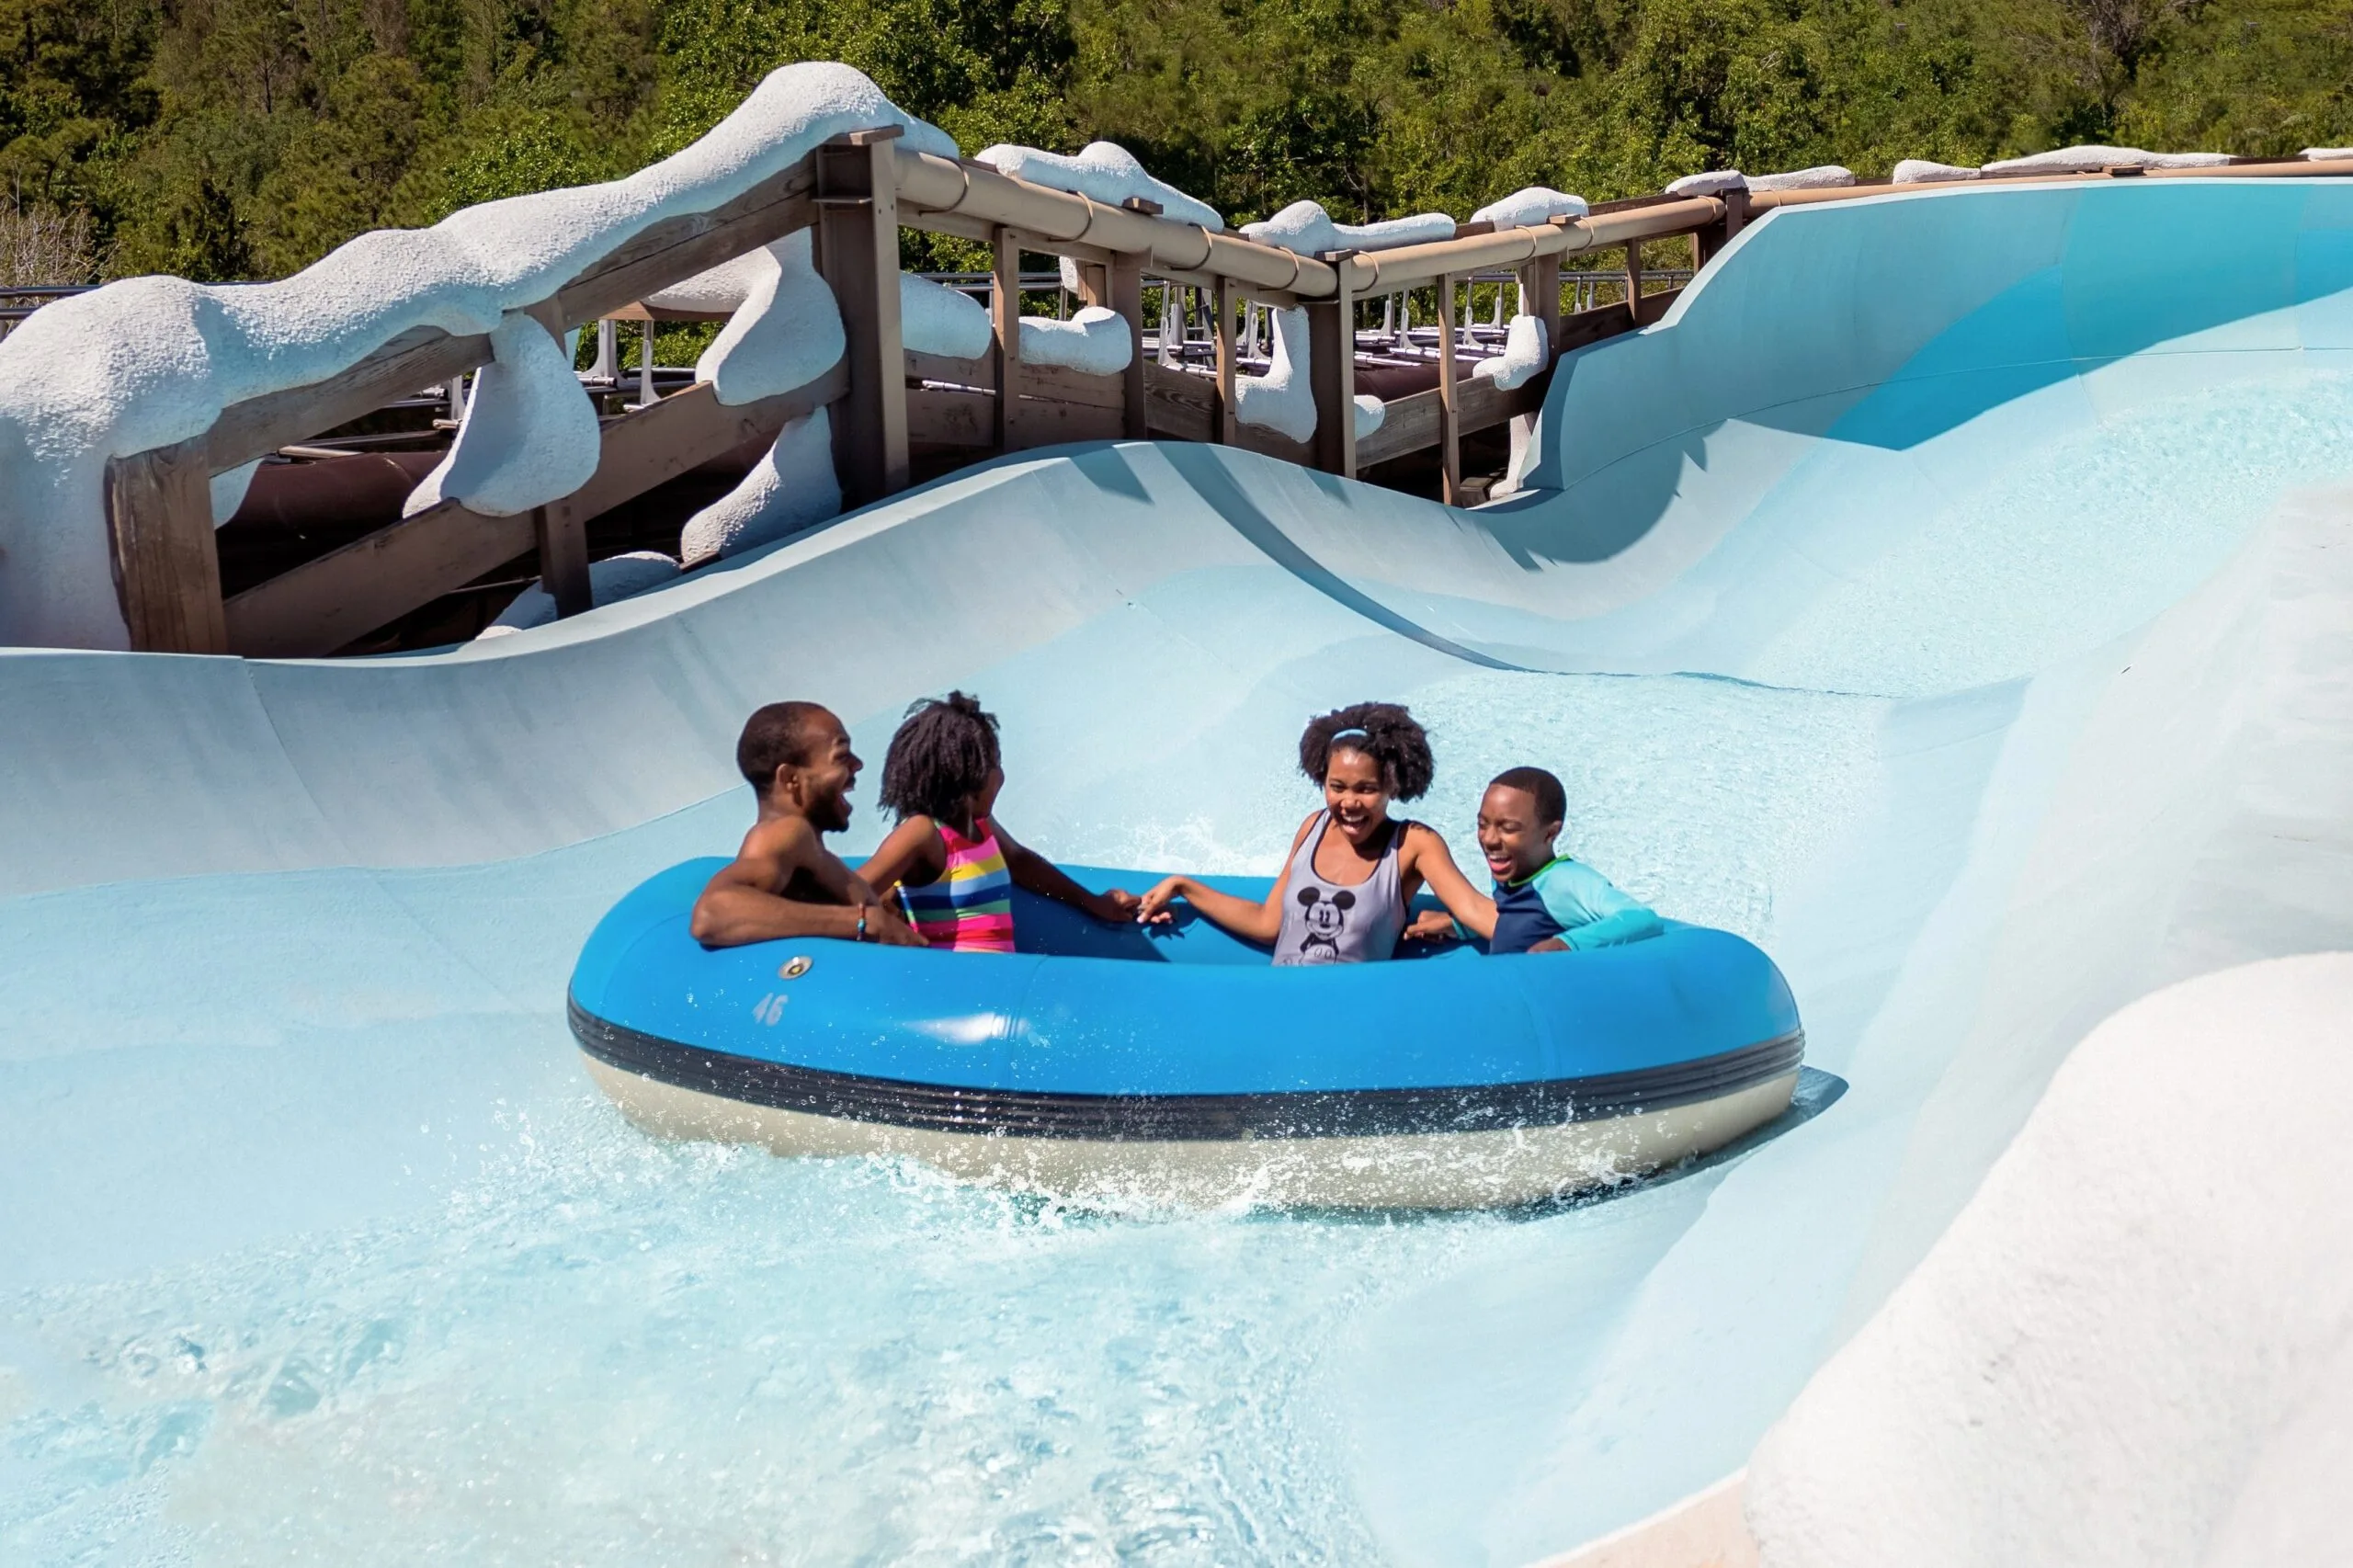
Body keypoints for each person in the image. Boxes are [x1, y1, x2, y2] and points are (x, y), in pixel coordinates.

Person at [1135, 702, 1492, 964]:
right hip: (1281, 1000)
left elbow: (1475, 908)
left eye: (1366, 789)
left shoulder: (1414, 844)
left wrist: (1467, 925)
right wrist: (1184, 886)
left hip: (1348, 1015)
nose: (1349, 803)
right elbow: (1268, 923)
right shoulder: (1312, 828)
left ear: (1392, 786)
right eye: (1337, 787)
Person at [858, 691, 1140, 950]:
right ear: (964, 774)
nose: (1002, 777)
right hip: (957, 990)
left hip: (1001, 985)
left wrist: (1092, 902)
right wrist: (885, 916)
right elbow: (854, 890)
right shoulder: (923, 832)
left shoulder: (979, 824)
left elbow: (1019, 862)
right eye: (993, 764)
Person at [689, 701, 925, 949]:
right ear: (791, 778)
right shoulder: (785, 832)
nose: (857, 764)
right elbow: (711, 914)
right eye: (842, 756)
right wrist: (864, 921)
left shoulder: (807, 847)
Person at [1446, 766, 1663, 955]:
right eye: (1482, 824)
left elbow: (1641, 917)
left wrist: (1567, 943)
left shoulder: (1564, 882)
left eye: (1508, 828)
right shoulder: (1513, 872)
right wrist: (1462, 927)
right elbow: (1519, 917)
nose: (1489, 839)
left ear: (1550, 833)